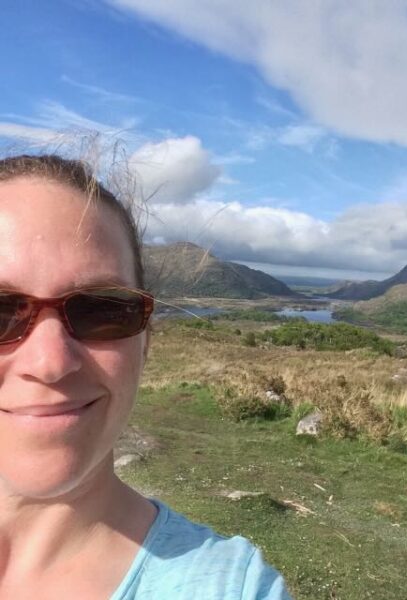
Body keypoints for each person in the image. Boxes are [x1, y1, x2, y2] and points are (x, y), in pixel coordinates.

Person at [0, 154, 292, 599]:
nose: (50, 363)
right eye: (2, 312)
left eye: (102, 310)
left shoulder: (232, 588)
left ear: (145, 340)